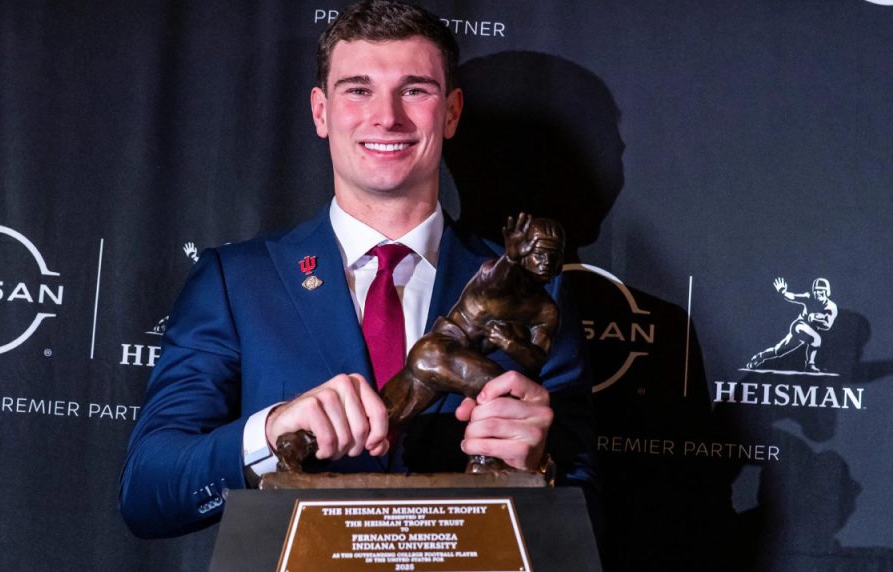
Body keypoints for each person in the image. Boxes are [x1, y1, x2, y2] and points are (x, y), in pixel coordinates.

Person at [119, 0, 595, 539]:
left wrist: (537, 470)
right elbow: (147, 491)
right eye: (358, 89)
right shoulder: (236, 282)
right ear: (321, 112)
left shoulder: (533, 288)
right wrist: (271, 433)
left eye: (415, 89)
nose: (386, 116)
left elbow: (586, 512)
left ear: (452, 112)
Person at [746, 277, 838, 372]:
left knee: (778, 351)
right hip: (799, 326)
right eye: (816, 290)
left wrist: (815, 319)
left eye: (822, 290)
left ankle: (760, 357)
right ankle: (810, 365)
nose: (818, 293)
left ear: (827, 291)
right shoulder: (809, 297)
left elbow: (827, 325)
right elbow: (794, 297)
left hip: (809, 332)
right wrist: (783, 291)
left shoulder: (831, 307)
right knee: (816, 339)